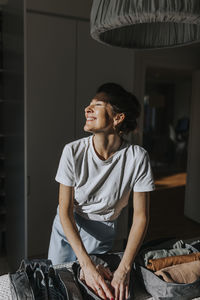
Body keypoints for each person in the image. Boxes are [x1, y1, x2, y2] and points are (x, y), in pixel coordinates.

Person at [48, 83, 155, 300]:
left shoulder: (137, 157)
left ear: (117, 118)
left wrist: (124, 269)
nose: (87, 109)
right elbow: (66, 210)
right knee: (57, 286)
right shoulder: (72, 151)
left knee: (95, 290)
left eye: (97, 105)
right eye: (89, 104)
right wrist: (86, 265)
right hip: (67, 226)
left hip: (102, 230)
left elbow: (141, 217)